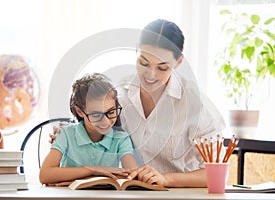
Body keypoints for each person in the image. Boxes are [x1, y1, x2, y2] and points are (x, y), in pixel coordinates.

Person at [50, 19, 225, 188]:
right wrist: (71, 133)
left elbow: (218, 175)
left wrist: (165, 179)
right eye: (143, 62)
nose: (150, 74)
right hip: (132, 191)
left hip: (180, 194)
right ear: (136, 51)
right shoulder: (120, 94)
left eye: (162, 68)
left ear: (178, 62)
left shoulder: (195, 103)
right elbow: (100, 130)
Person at [40, 73, 138, 185]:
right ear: (80, 112)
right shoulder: (65, 134)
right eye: (96, 115)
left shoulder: (121, 138)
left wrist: (77, 179)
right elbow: (44, 175)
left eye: (111, 112)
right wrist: (93, 170)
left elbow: (132, 175)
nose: (106, 121)